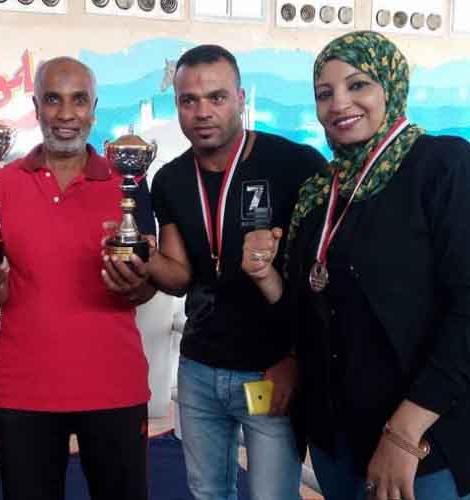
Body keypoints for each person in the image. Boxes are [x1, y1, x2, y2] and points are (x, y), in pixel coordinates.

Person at [285, 31, 470, 500]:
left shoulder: (446, 167)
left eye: (358, 84)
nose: (339, 103)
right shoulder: (321, 190)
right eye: (324, 93)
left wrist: (403, 434)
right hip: (336, 440)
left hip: (422, 448)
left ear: (391, 86)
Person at [146, 44, 326, 500]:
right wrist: (139, 254)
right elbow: (178, 276)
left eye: (217, 97)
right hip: (199, 367)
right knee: (207, 492)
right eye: (189, 100)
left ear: (241, 98)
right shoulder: (169, 180)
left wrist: (294, 358)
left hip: (271, 368)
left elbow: (321, 283)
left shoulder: (296, 165)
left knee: (273, 496)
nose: (202, 112)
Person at [0, 56, 155, 500]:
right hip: (24, 390)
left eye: (79, 100)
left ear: (94, 108)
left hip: (114, 386)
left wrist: (136, 283)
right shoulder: (1, 183)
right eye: (53, 100)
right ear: (36, 106)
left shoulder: (129, 183)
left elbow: (148, 281)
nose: (66, 114)